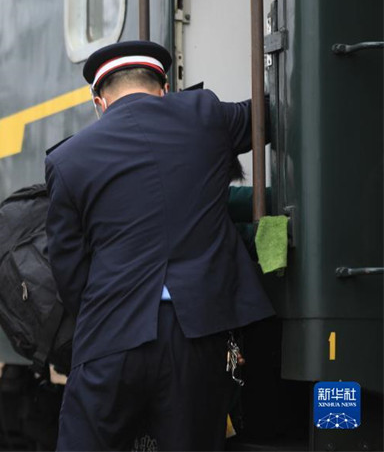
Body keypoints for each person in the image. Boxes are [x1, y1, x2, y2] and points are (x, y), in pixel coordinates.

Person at [45, 40, 274, 451]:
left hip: (111, 334)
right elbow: (267, 116)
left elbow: (68, 267)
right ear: (164, 87)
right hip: (197, 334)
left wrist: (105, 313)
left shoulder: (68, 159)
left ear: (99, 101)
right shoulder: (205, 114)